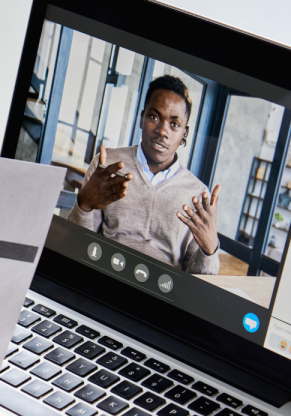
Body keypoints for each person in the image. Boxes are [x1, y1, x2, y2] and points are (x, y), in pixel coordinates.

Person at [69, 75, 221, 275]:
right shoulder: (107, 165)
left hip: (162, 293)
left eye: (174, 124)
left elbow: (197, 282)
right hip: (103, 275)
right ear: (142, 118)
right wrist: (85, 204)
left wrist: (209, 249)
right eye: (154, 117)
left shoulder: (197, 193)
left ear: (185, 134)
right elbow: (77, 244)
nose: (162, 131)